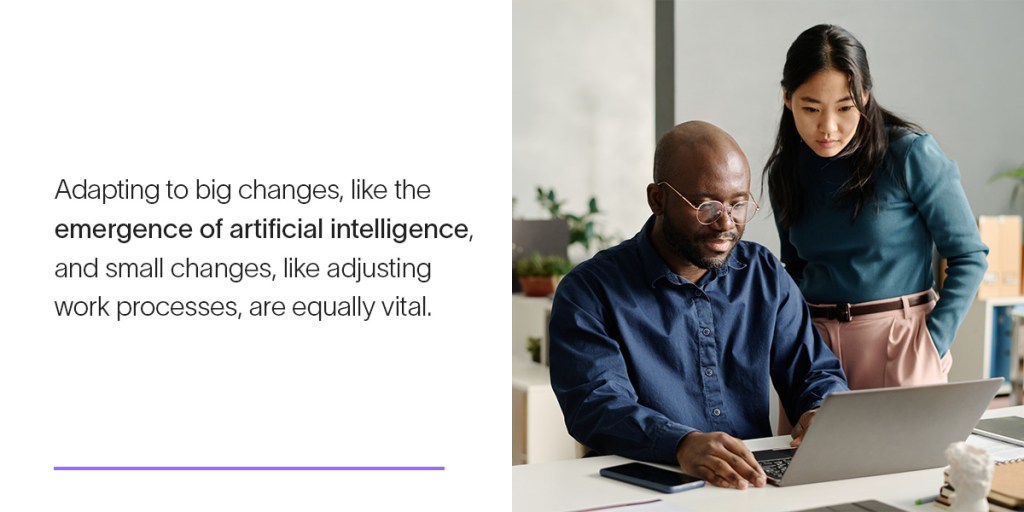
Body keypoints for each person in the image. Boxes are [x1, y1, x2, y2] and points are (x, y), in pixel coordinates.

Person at [548, 120, 849, 489]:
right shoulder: (589, 291)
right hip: (643, 489)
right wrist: (680, 444)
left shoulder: (763, 273)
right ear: (658, 198)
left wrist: (820, 410)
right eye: (706, 206)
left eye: (738, 204)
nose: (726, 223)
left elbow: (814, 370)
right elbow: (596, 406)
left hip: (748, 488)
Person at [763, 24, 988, 391]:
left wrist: (932, 342)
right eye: (810, 108)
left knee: (910, 450)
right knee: (810, 451)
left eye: (845, 107)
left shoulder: (910, 154)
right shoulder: (785, 171)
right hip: (815, 354)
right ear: (787, 98)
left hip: (902, 344)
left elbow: (969, 255)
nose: (828, 127)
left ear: (865, 95)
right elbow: (796, 268)